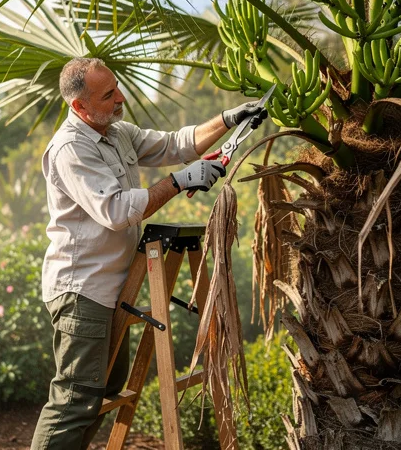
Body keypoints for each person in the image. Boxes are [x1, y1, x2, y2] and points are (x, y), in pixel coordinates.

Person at [30, 57, 266, 450]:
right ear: (80, 107)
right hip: (81, 291)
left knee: (104, 390)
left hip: (112, 291)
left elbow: (176, 144)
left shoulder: (116, 132)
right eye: (108, 95)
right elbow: (118, 211)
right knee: (75, 400)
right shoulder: (70, 149)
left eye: (117, 87)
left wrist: (228, 119)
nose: (121, 98)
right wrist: (179, 181)